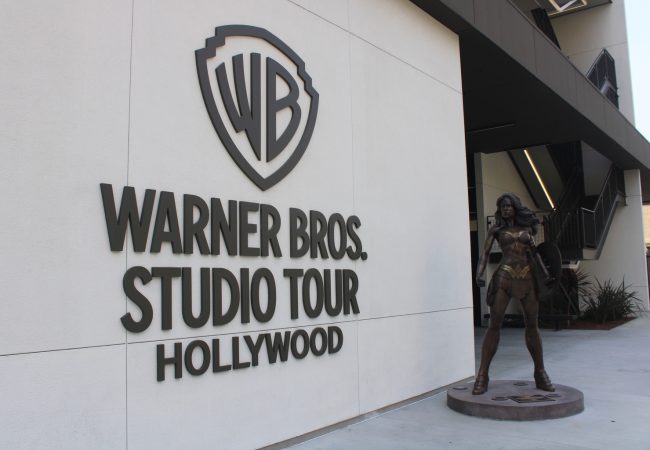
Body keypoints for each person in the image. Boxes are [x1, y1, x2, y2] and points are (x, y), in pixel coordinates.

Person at [473, 193, 554, 395]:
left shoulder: (527, 229)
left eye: (509, 205)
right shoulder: (496, 229)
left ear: (515, 207)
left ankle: (540, 372)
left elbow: (534, 253)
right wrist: (479, 274)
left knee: (532, 325)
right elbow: (485, 254)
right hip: (505, 276)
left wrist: (545, 273)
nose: (506, 209)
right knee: (494, 325)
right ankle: (482, 375)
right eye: (503, 206)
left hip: (527, 276)